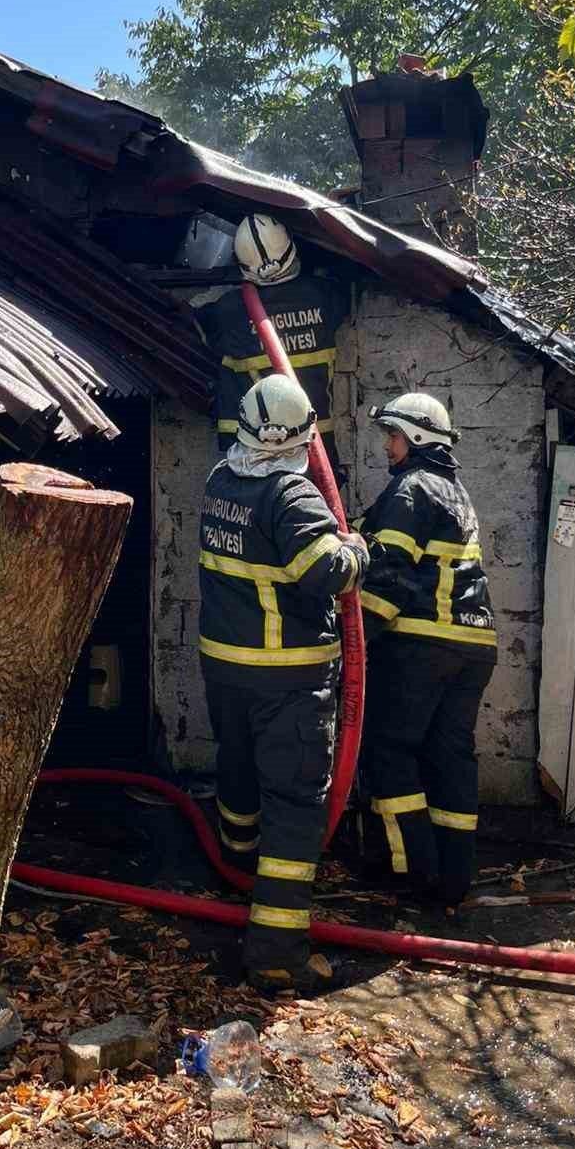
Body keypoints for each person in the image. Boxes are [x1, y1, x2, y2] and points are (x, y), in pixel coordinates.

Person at [198, 373, 368, 993]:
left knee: (238, 773)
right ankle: (275, 949)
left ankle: (235, 869)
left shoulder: (220, 480)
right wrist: (357, 549)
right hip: (287, 676)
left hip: (226, 666)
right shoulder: (291, 493)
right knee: (295, 807)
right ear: (303, 437)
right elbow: (327, 572)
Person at [356, 392, 497, 907]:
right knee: (449, 758)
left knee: (390, 751)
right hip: (474, 645)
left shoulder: (412, 489)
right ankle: (453, 879)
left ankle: (411, 872)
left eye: (393, 436)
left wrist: (355, 638)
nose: (387, 447)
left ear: (415, 438)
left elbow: (390, 575)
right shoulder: (456, 492)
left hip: (421, 644)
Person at [195, 215, 351, 475]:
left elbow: (196, 321)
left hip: (256, 453)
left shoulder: (230, 310)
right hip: (318, 446)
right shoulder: (326, 296)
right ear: (292, 249)